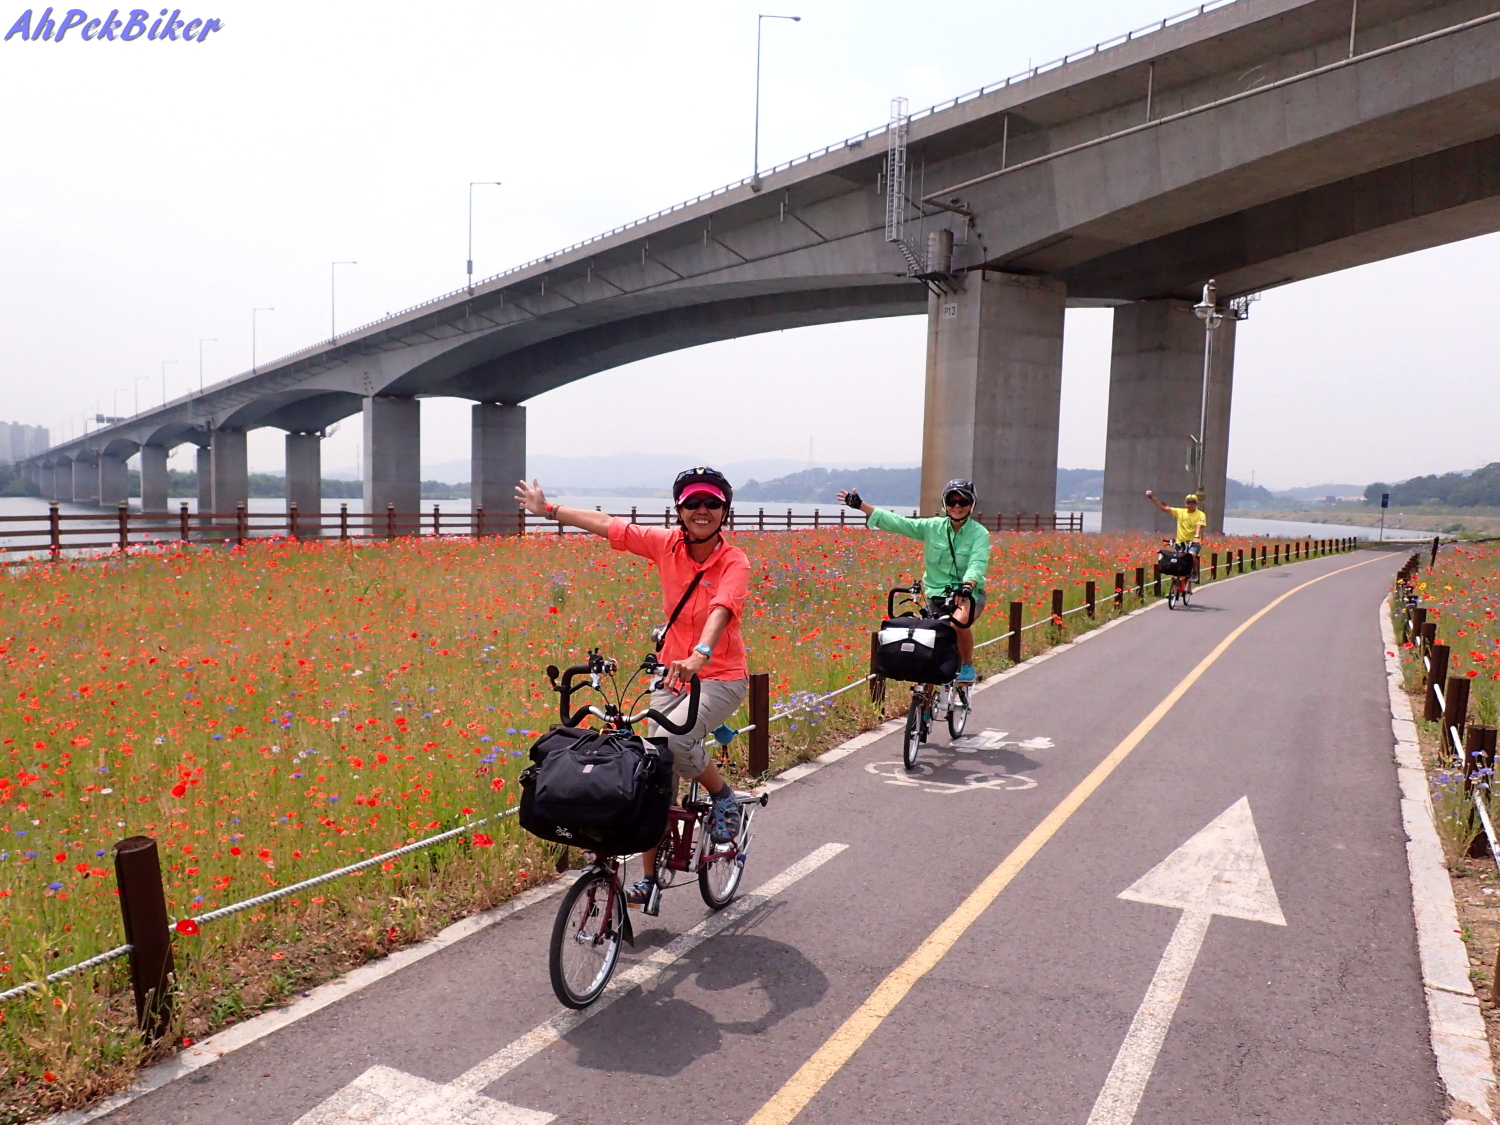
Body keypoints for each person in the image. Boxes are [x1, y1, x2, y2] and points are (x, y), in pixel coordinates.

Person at [515, 467, 749, 907]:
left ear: (724, 510)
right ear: (679, 510)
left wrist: (701, 652)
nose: (703, 511)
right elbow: (608, 525)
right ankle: (648, 878)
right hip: (671, 674)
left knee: (675, 742)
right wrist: (549, 509)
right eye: (693, 503)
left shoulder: (734, 561)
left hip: (720, 677)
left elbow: (722, 608)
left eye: (712, 503)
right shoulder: (665, 545)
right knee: (652, 770)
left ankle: (723, 797)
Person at [837, 478, 990, 683]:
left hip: (967, 592)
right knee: (927, 640)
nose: (957, 506)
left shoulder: (979, 533)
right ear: (945, 504)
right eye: (952, 501)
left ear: (971, 505)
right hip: (935, 593)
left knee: (959, 623)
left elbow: (977, 562)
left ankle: (967, 666)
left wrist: (968, 584)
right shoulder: (932, 526)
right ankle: (925, 706)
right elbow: (900, 523)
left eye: (963, 502)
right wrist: (861, 506)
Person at [1147, 490, 1207, 586]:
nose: (1190, 504)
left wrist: (1196, 537)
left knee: (1191, 555)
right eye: (1188, 502)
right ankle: (1174, 589)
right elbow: (1165, 508)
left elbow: (1199, 526)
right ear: (1185, 503)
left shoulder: (1200, 514)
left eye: (1193, 502)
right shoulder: (1180, 512)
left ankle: (1194, 572)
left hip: (1193, 542)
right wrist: (1153, 499)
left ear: (1197, 504)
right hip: (1180, 542)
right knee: (1174, 560)